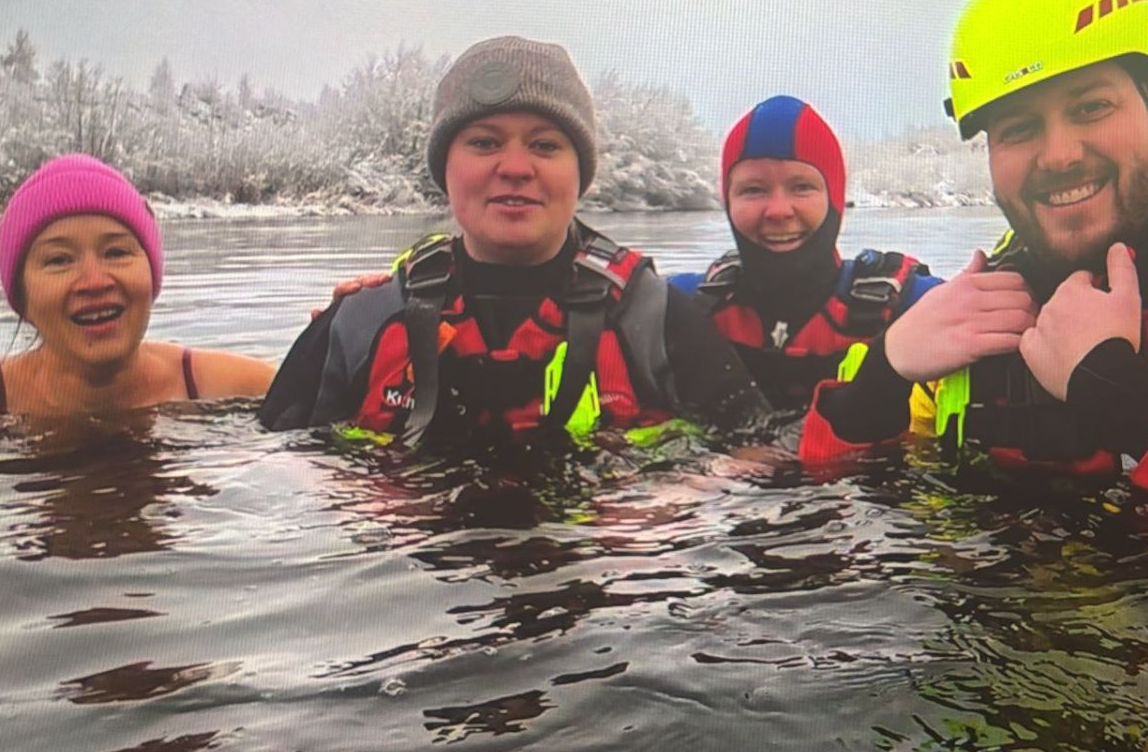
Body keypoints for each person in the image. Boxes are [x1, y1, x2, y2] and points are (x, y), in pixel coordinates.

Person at [795, 0, 1148, 515]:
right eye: (1019, 129)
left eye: (1091, 107)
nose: (1059, 156)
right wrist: (883, 372)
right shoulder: (974, 320)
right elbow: (825, 484)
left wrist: (1126, 399)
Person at [259, 35, 769, 446]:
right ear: (444, 168)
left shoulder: (657, 322)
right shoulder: (361, 322)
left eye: (545, 146)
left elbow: (758, 459)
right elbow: (271, 465)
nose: (516, 168)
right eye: (484, 143)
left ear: (581, 174)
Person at [0, 154, 276, 436]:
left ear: (152, 275)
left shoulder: (220, 384)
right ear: (22, 298)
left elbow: (311, 415)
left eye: (116, 252)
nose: (94, 281)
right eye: (59, 260)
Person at [666, 95, 940, 411]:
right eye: (753, 190)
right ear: (728, 201)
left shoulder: (915, 307)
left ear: (834, 197)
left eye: (801, 187)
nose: (778, 211)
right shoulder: (679, 308)